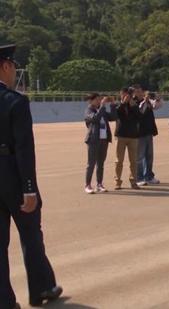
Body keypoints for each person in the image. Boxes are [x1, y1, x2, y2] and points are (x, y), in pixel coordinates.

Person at [0, 44, 63, 309]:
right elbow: (24, 148)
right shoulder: (15, 100)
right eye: (14, 66)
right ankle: (41, 289)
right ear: (5, 66)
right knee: (30, 234)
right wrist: (29, 188)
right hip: (12, 174)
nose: (15, 71)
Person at [84, 93, 117, 194]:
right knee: (91, 164)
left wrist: (112, 104)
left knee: (101, 163)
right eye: (97, 100)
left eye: (100, 100)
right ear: (91, 101)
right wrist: (102, 106)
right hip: (93, 140)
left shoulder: (102, 110)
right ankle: (88, 185)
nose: (99, 101)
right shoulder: (88, 110)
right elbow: (95, 118)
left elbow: (113, 117)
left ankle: (99, 184)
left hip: (104, 139)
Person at [114, 87, 142, 190]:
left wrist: (133, 106)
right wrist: (123, 103)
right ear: (121, 95)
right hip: (121, 135)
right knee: (119, 161)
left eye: (127, 95)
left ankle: (133, 181)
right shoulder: (118, 105)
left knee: (133, 161)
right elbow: (115, 114)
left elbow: (140, 117)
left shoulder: (134, 104)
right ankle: (118, 181)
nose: (125, 96)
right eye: (123, 94)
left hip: (133, 136)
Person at [136, 86, 162, 186]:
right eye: (137, 92)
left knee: (149, 156)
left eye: (140, 91)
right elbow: (140, 111)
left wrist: (157, 97)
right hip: (139, 133)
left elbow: (158, 106)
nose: (139, 94)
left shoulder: (147, 101)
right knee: (139, 157)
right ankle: (139, 178)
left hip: (148, 132)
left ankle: (149, 176)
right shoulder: (134, 103)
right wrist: (145, 101)